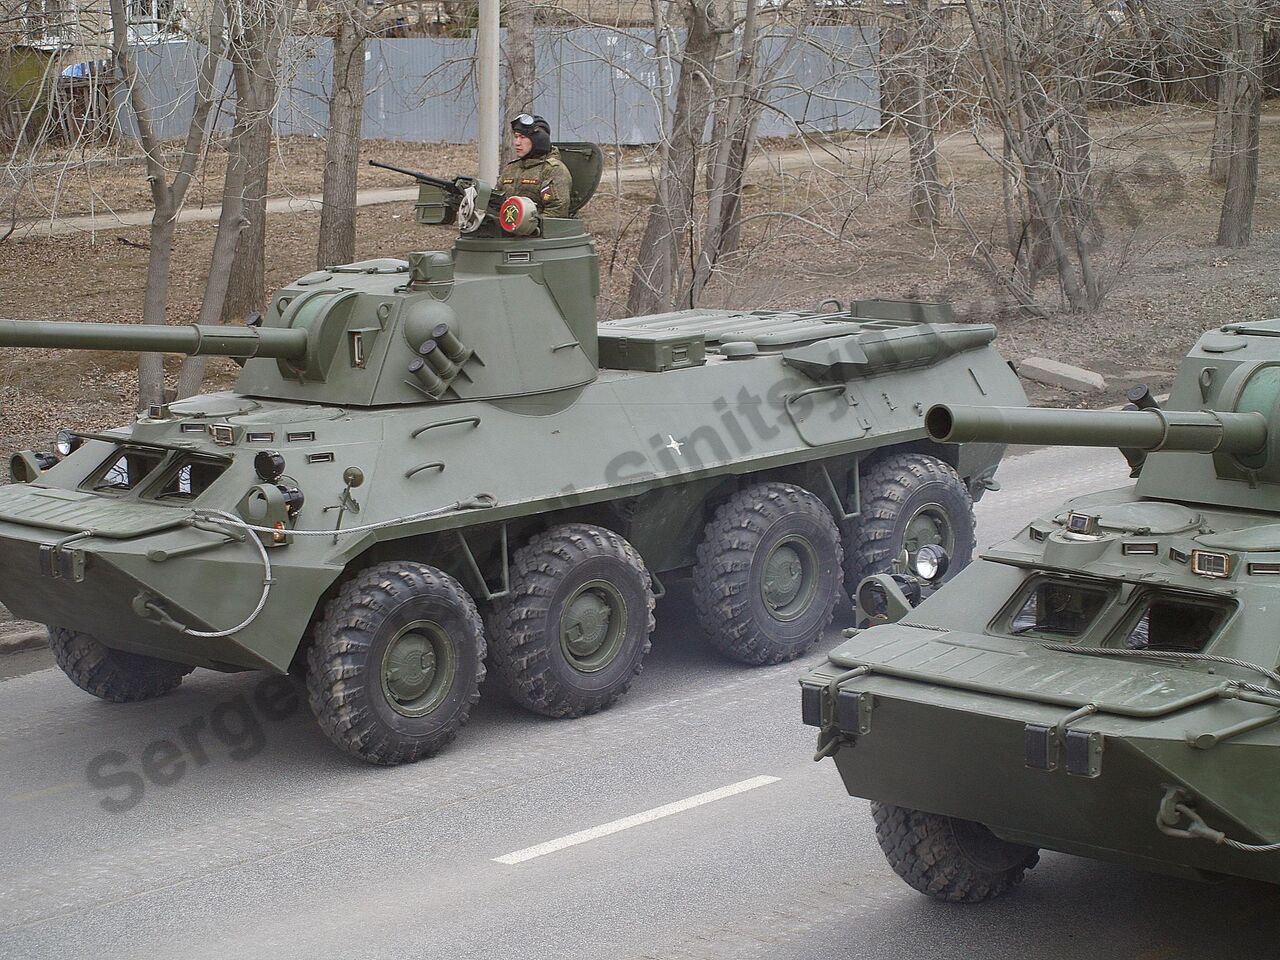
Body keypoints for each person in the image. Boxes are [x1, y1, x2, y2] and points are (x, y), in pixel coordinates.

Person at [497, 114, 573, 219]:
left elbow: (557, 212)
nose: (517, 143)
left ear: (538, 140)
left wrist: (528, 224)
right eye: (516, 137)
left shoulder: (552, 170)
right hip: (506, 229)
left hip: (538, 233)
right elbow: (497, 202)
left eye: (522, 137)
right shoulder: (511, 169)